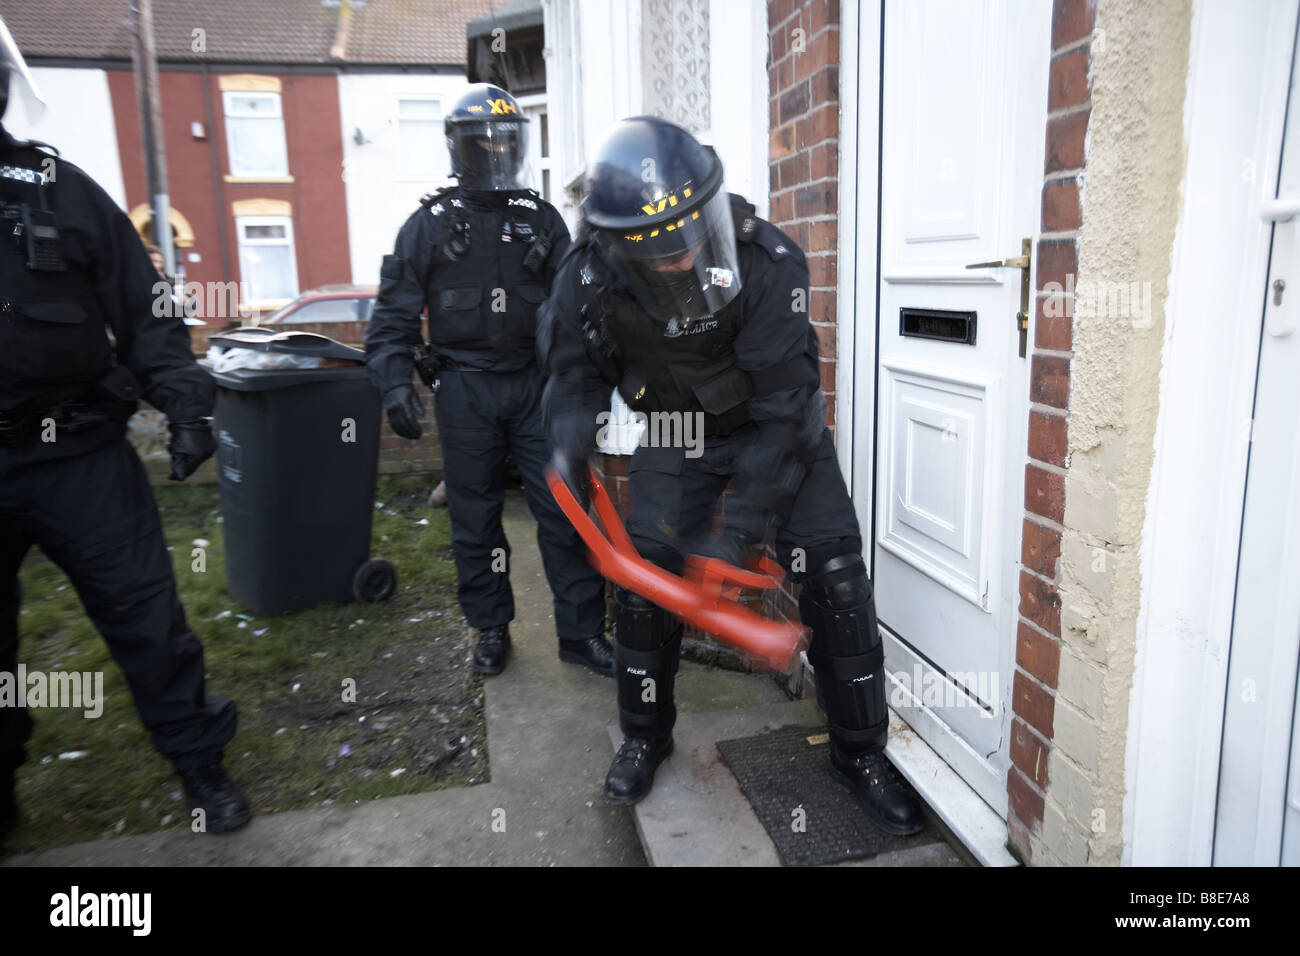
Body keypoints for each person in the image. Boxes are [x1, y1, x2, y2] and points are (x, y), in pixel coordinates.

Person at [539, 116, 925, 834]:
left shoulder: (767, 260)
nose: (682, 260)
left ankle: (860, 754)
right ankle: (645, 738)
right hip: (677, 434)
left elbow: (783, 418)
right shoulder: (585, 278)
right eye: (659, 253)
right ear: (618, 243)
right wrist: (566, 444)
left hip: (775, 430)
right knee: (648, 583)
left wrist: (734, 539)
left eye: (691, 238)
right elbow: (572, 378)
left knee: (835, 576)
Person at [0, 21, 248, 838]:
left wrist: (185, 406)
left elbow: (150, 312)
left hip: (77, 454)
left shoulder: (55, 189)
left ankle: (199, 764)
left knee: (146, 617)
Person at [364, 83, 612, 678]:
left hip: (536, 388)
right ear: (458, 149)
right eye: (481, 144)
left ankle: (580, 633)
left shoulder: (541, 220)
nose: (493, 155)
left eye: (504, 142)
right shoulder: (426, 226)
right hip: (464, 390)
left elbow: (583, 302)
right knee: (474, 521)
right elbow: (392, 316)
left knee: (563, 511)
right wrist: (395, 383)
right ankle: (491, 629)